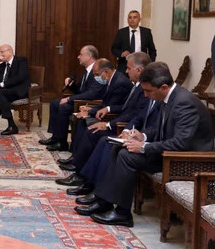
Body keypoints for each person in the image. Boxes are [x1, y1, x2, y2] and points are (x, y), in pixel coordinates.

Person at [76, 62, 214, 227]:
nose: (146, 96)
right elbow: (160, 127)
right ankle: (104, 201)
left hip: (187, 161)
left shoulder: (185, 103)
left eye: (148, 91)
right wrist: (143, 136)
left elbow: (180, 142)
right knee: (118, 147)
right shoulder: (170, 96)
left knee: (127, 156)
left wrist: (144, 147)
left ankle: (122, 213)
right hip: (170, 154)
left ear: (163, 87)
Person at [55, 52, 152, 191]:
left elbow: (135, 114)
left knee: (94, 132)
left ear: (139, 70)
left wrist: (108, 124)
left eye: (128, 68)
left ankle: (84, 178)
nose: (125, 71)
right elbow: (121, 108)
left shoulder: (134, 86)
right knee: (90, 127)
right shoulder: (136, 85)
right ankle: (80, 170)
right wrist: (91, 110)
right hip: (121, 123)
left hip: (123, 127)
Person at [63, 58, 132, 162]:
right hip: (109, 114)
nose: (95, 77)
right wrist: (90, 110)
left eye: (96, 74)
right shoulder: (110, 80)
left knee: (88, 126)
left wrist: (90, 112)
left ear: (106, 72)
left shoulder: (120, 82)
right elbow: (104, 103)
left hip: (115, 118)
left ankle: (78, 160)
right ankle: (75, 156)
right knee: (82, 120)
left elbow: (113, 106)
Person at [39, 45, 105, 151]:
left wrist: (69, 99)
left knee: (63, 107)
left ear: (89, 56)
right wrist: (72, 85)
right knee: (55, 103)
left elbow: (92, 94)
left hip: (90, 103)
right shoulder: (87, 70)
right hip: (81, 100)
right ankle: (56, 137)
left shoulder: (97, 70)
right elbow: (80, 91)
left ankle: (62, 143)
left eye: (81, 55)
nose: (78, 57)